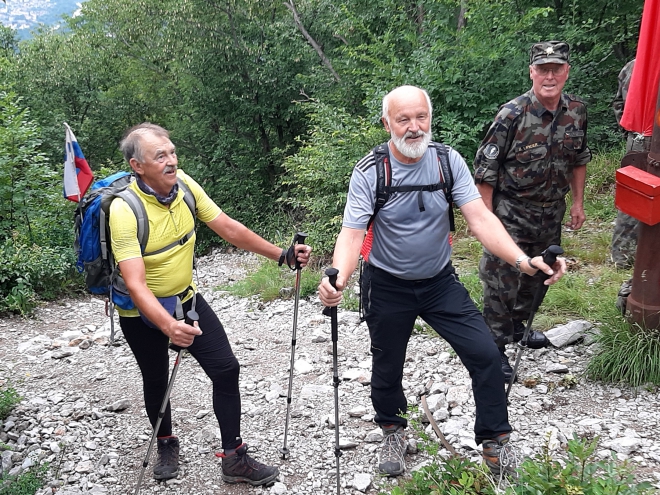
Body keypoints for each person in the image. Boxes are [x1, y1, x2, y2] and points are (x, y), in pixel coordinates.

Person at [317, 85, 566, 477]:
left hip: (438, 282)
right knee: (387, 364)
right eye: (403, 120)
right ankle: (393, 431)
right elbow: (351, 234)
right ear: (387, 124)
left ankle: (495, 443)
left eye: (421, 117)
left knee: (485, 353)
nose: (414, 128)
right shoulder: (370, 170)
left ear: (430, 119)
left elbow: (481, 218)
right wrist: (339, 280)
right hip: (387, 283)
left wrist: (522, 260)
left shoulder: (448, 162)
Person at [109, 123, 311, 486]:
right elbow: (136, 285)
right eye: (160, 156)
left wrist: (281, 255)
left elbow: (228, 228)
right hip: (141, 312)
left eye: (171, 152)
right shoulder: (125, 211)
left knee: (225, 369)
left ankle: (233, 458)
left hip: (186, 299)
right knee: (157, 379)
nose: (171, 161)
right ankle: (166, 441)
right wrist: (168, 326)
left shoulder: (185, 185)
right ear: (137, 165)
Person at [473, 41, 591, 379]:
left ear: (566, 71)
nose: (549, 76)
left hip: (551, 211)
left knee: (538, 276)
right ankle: (493, 348)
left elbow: (580, 158)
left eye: (556, 68)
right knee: (501, 282)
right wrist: (487, 221)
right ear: (532, 72)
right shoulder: (512, 114)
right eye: (543, 69)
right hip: (511, 212)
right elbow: (485, 172)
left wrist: (578, 203)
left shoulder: (577, 111)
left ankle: (517, 329)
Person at [610, 58, 652, 271]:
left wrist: (631, 130)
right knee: (635, 196)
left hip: (637, 139)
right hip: (647, 139)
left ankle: (622, 255)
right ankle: (625, 256)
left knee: (634, 196)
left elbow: (618, 103)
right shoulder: (636, 66)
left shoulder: (632, 65)